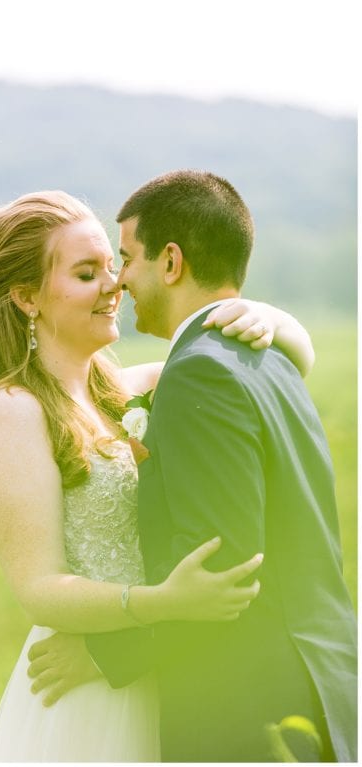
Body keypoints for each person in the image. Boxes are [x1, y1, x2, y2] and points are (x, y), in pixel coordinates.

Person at [0, 190, 321, 761]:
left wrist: (269, 317)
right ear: (26, 297)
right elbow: (40, 590)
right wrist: (161, 604)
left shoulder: (133, 388)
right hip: (85, 699)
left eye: (113, 267)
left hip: (164, 670)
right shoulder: (13, 410)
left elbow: (286, 363)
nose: (114, 286)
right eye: (87, 273)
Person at [28, 171, 357, 761]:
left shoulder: (200, 370)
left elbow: (223, 565)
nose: (119, 280)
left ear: (171, 262)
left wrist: (107, 655)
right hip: (320, 682)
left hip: (251, 707)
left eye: (126, 258)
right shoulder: (266, 355)